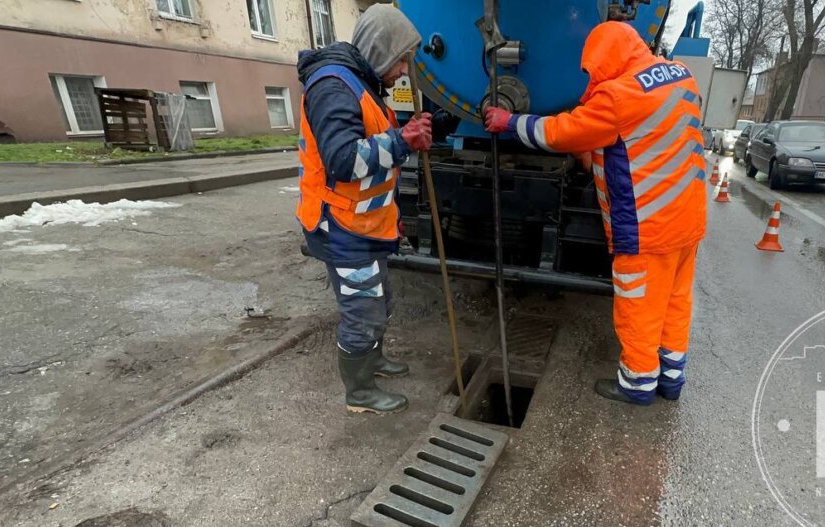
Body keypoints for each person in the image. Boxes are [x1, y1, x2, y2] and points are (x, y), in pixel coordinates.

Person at [484, 22, 707, 406]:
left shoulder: (621, 96)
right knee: (674, 302)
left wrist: (510, 122)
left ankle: (637, 384)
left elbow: (560, 133)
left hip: (647, 228)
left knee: (638, 306)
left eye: (592, 70)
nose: (591, 78)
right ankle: (671, 379)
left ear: (606, 58)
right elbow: (642, 143)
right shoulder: (679, 77)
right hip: (688, 221)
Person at [296, 5, 431, 414]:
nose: (404, 69)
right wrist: (403, 140)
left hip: (365, 224)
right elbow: (343, 160)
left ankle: (372, 360)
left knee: (379, 300)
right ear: (379, 50)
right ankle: (359, 392)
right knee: (362, 310)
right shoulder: (333, 87)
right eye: (401, 58)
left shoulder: (361, 84)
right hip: (340, 226)